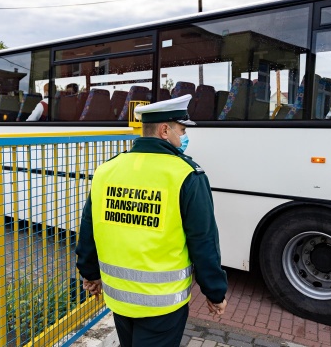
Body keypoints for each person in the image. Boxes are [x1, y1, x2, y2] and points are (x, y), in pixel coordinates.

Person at [76, 94, 228, 347]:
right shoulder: (187, 175)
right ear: (165, 130)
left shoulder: (107, 169)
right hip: (164, 304)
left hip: (119, 298)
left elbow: (88, 228)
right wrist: (215, 292)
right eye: (182, 129)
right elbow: (203, 240)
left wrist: (90, 274)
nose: (184, 136)